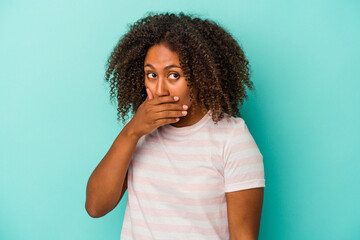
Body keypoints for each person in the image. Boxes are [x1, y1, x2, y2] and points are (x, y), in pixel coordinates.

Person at [85, 12, 266, 240]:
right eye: (151, 74)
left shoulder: (232, 139)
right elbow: (95, 206)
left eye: (173, 75)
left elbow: (243, 236)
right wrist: (131, 131)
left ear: (201, 76)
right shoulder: (139, 133)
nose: (160, 90)